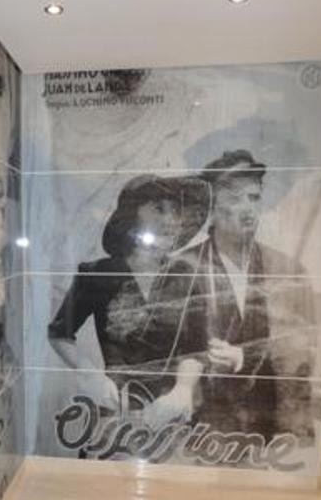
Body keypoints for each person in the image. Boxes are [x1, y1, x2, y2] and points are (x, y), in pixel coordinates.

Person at [48, 174, 209, 430]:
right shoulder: (98, 274)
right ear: (132, 214)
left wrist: (183, 389)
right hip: (116, 408)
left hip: (172, 410)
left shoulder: (187, 276)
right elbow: (59, 333)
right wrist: (92, 376)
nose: (170, 220)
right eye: (158, 209)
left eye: (175, 211)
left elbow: (197, 347)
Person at [180, 149, 316, 442]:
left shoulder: (289, 271)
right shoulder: (182, 268)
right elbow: (161, 349)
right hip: (202, 431)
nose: (248, 209)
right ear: (210, 209)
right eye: (234, 199)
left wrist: (246, 356)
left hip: (271, 431)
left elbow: (304, 349)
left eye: (254, 198)